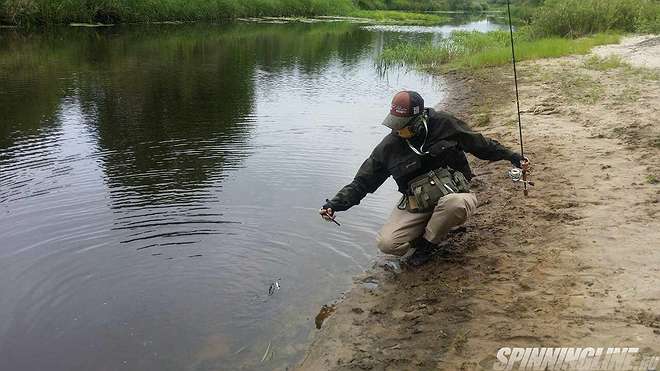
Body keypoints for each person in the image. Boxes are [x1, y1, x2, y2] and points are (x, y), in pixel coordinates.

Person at [319, 91, 528, 267]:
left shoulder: (445, 124)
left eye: (403, 125)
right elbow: (362, 183)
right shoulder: (388, 148)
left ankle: (428, 245)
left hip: (454, 196)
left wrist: (513, 157)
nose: (398, 130)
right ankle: (426, 231)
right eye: (394, 124)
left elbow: (481, 145)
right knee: (388, 244)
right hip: (417, 203)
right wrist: (335, 205)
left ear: (419, 120)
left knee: (454, 204)